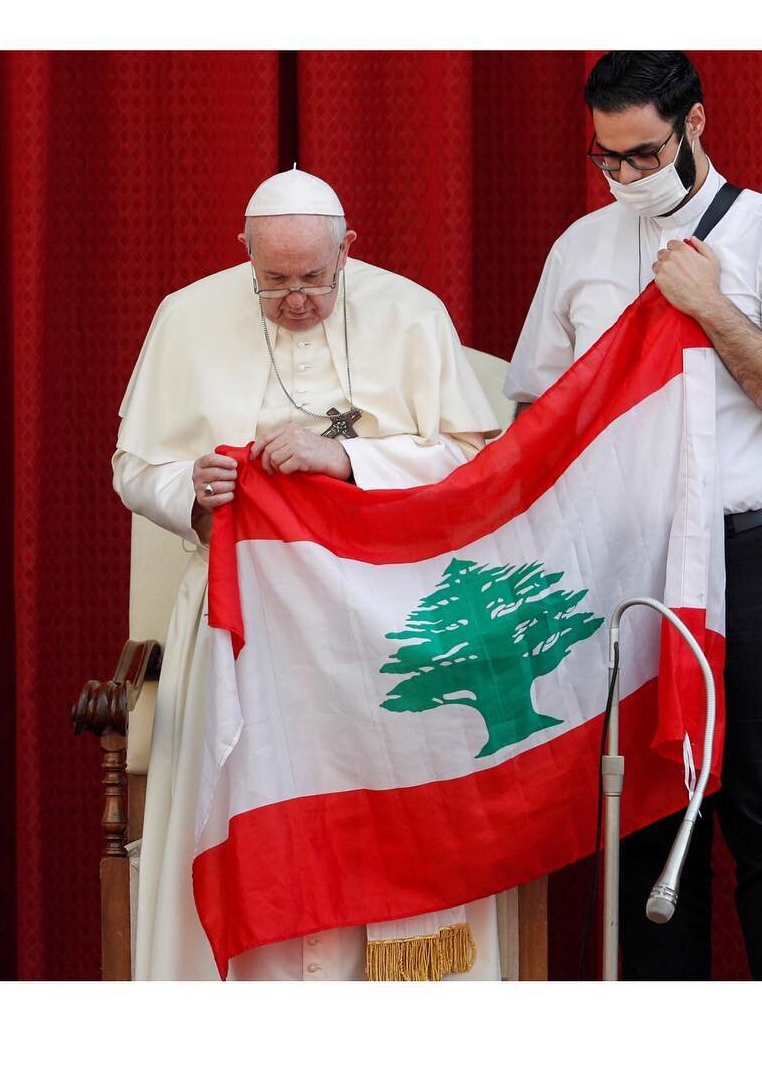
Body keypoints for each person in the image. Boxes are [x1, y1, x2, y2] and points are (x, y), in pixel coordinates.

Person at [505, 52, 762, 980]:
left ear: (695, 125)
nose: (626, 178)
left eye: (645, 154)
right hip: (628, 562)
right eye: (606, 158)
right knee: (649, 820)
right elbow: (535, 411)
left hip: (757, 553)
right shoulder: (580, 252)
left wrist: (710, 311)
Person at [114, 166, 503, 980]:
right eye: (275, 282)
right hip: (241, 622)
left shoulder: (412, 313)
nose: (296, 300)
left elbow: (474, 460)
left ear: (348, 252)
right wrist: (188, 489)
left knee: (381, 829)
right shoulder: (185, 318)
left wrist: (350, 457)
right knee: (251, 815)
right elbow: (133, 466)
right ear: (246, 258)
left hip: (382, 618)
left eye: (315, 281)